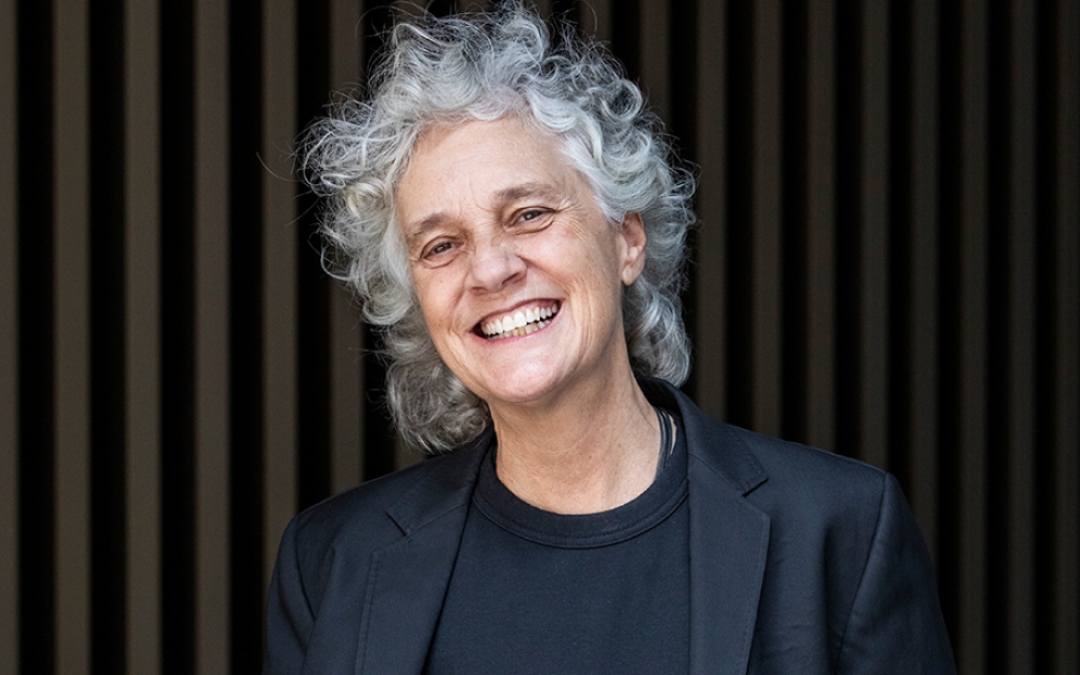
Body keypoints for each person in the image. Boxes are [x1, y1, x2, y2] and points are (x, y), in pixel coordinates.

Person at [264, 5, 955, 674]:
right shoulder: (329, 563)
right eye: (441, 245)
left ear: (626, 239)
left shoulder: (840, 533)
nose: (491, 270)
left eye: (529, 214)